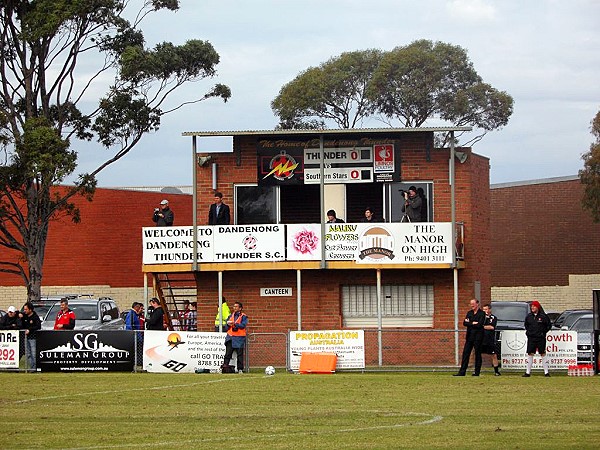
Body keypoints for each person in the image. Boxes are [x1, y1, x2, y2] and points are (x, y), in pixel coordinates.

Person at [454, 299, 485, 376]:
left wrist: (470, 323)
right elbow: (465, 323)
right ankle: (462, 372)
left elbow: (479, 324)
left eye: (473, 304)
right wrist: (472, 323)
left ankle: (477, 372)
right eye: (471, 304)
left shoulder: (482, 313)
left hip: (478, 337)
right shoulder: (469, 313)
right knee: (465, 354)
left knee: (477, 354)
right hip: (469, 337)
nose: (472, 306)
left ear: (477, 304)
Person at [523, 300, 552, 377]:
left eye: (534, 306)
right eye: (531, 306)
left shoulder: (543, 317)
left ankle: (546, 372)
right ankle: (527, 372)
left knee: (542, 353)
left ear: (538, 307)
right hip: (531, 338)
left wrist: (543, 333)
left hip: (540, 338)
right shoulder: (529, 316)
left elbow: (548, 325)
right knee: (530, 354)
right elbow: (526, 325)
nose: (532, 307)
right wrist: (529, 333)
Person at [223, 301, 248, 373]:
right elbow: (226, 326)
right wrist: (228, 324)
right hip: (230, 337)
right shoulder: (231, 316)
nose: (234, 308)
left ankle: (240, 369)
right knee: (228, 354)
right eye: (234, 306)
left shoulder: (244, 316)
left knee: (240, 355)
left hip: (239, 338)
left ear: (240, 308)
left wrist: (235, 324)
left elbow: (243, 325)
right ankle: (225, 367)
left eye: (236, 306)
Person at [20, 302, 41, 371]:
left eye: (26, 309)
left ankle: (35, 368)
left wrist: (30, 330)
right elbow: (17, 313)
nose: (25, 311)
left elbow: (38, 326)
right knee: (28, 354)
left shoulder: (35, 317)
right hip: (26, 338)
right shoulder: (24, 316)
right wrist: (19, 314)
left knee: (34, 353)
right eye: (24, 309)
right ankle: (31, 368)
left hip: (33, 338)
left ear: (30, 310)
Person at [481, 303, 501, 376]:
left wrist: (482, 326)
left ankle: (496, 371)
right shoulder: (481, 317)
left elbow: (492, 327)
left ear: (489, 309)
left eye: (486, 309)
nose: (485, 311)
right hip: (481, 339)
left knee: (494, 355)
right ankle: (477, 370)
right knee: (477, 354)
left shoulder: (493, 318)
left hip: (490, 340)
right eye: (483, 309)